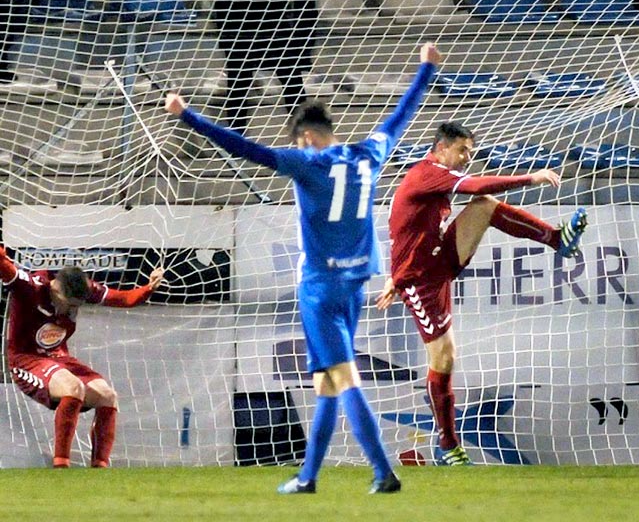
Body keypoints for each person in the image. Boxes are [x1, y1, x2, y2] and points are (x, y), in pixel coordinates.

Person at [166, 43, 441, 494]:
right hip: (355, 283)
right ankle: (308, 476)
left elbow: (243, 147)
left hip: (319, 289)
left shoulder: (305, 161)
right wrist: (425, 70)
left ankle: (383, 471)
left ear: (306, 138)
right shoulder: (370, 153)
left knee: (345, 378)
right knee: (327, 383)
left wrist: (188, 116)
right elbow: (401, 116)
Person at [375, 122, 588, 466]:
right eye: (462, 151)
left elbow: (405, 228)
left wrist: (392, 272)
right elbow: (474, 184)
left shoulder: (432, 175)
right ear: (441, 148)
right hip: (421, 280)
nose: (466, 158)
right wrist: (528, 178)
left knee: (485, 206)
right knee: (443, 359)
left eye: (470, 153)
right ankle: (448, 447)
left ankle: (556, 239)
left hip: (439, 259)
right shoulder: (428, 173)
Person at [3, 251, 164, 468]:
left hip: (59, 358)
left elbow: (125, 299)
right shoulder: (30, 287)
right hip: (26, 360)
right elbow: (5, 268)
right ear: (55, 289)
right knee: (73, 387)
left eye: (76, 307)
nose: (71, 310)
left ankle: (99, 467)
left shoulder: (86, 289)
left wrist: (149, 288)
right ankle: (61, 465)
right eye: (69, 305)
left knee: (107, 396)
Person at [201, 0, 322, 133]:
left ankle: (310, 137)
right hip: (235, 5)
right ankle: (237, 139)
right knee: (240, 77)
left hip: (267, 3)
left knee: (288, 75)